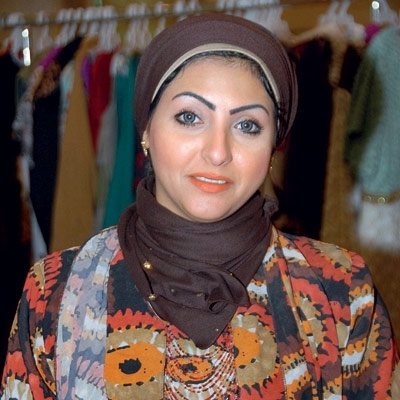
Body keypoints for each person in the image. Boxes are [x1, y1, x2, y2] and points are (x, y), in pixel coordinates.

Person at [1, 13, 399, 400]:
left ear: (272, 148)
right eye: (190, 117)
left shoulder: (339, 289)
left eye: (247, 126)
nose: (218, 152)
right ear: (146, 130)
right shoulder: (55, 291)